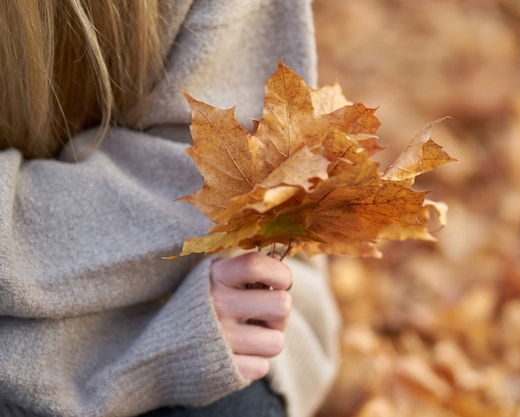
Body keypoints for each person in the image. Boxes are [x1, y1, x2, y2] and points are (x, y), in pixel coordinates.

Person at [0, 1, 340, 416]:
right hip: (165, 323)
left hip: (184, 294)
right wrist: (148, 354)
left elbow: (208, 183)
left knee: (228, 397)